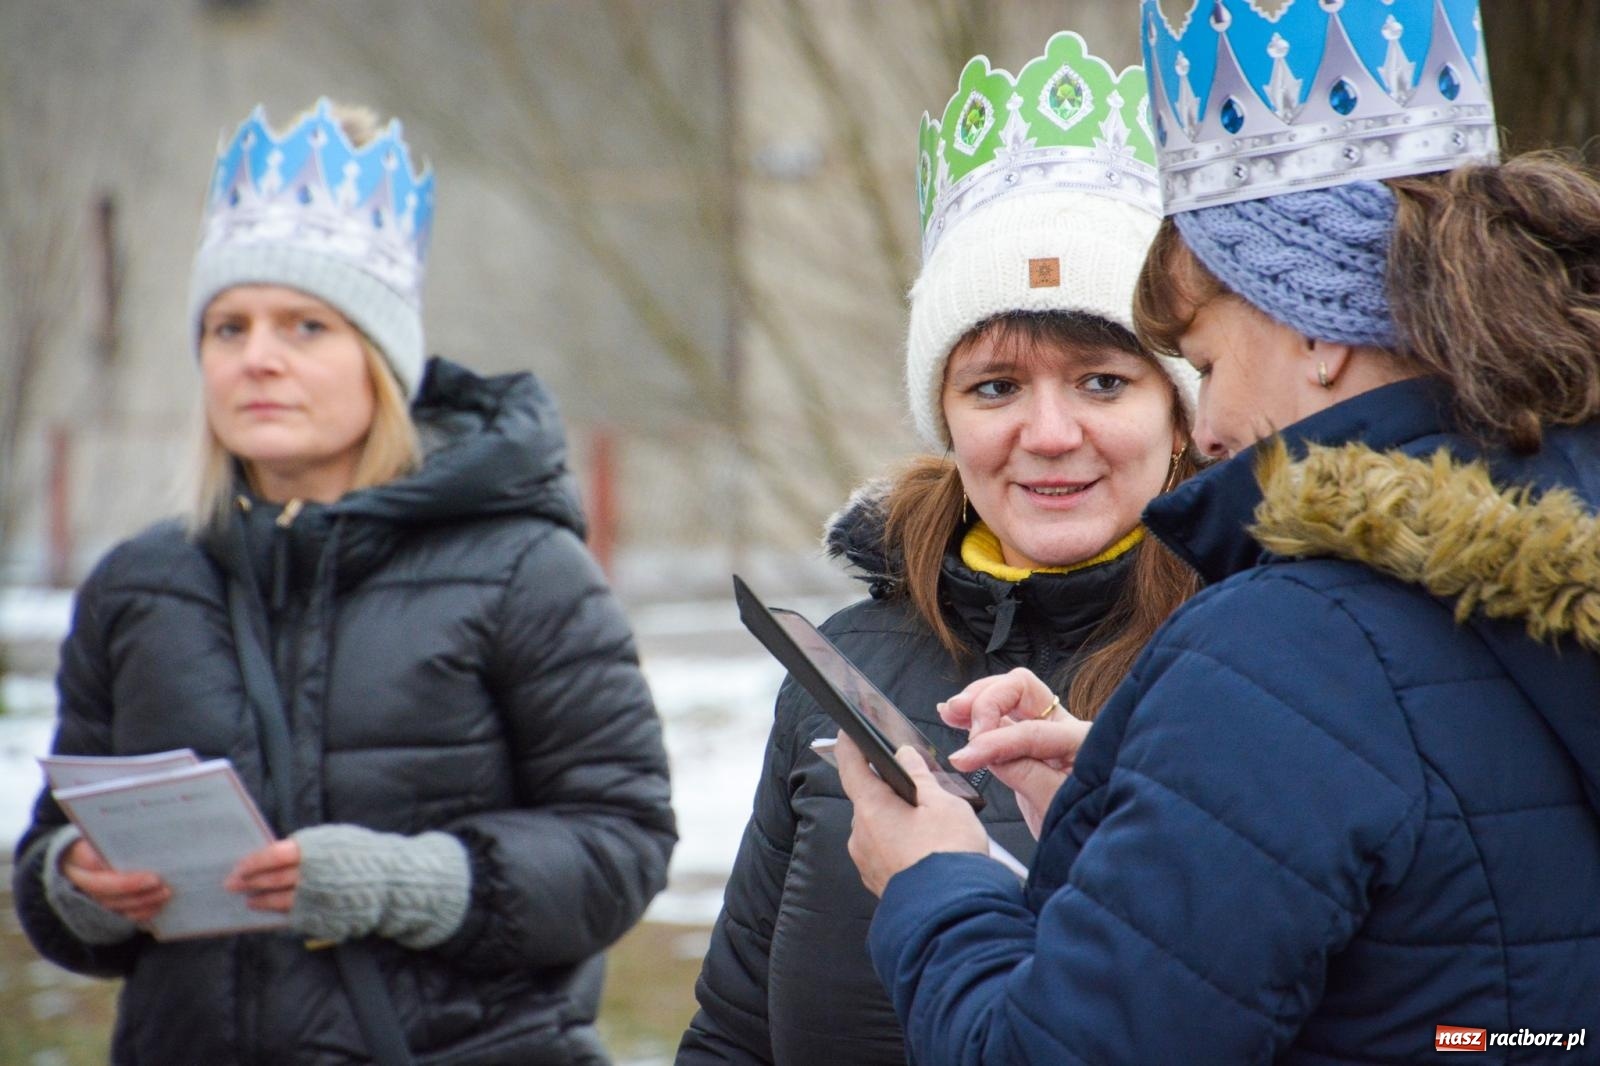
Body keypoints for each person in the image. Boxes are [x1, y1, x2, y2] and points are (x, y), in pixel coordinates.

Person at [838, 3, 1600, 1062]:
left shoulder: (1286, 651)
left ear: (1308, 328)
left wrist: (934, 878)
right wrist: (1152, 809)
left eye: (1199, 350)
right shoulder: (1547, 567)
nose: (1205, 421)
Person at [11, 99, 676, 1065]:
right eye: (228, 327)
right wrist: (76, 883)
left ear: (381, 361)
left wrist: (413, 883)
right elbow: (49, 866)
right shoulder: (136, 587)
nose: (258, 359)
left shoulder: (524, 569)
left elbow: (623, 846)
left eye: (306, 326)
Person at [678, 33, 1198, 1065]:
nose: (1047, 433)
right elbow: (735, 1032)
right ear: (944, 417)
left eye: (1103, 380)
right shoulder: (845, 664)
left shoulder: (1253, 667)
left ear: (1181, 413)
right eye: (995, 386)